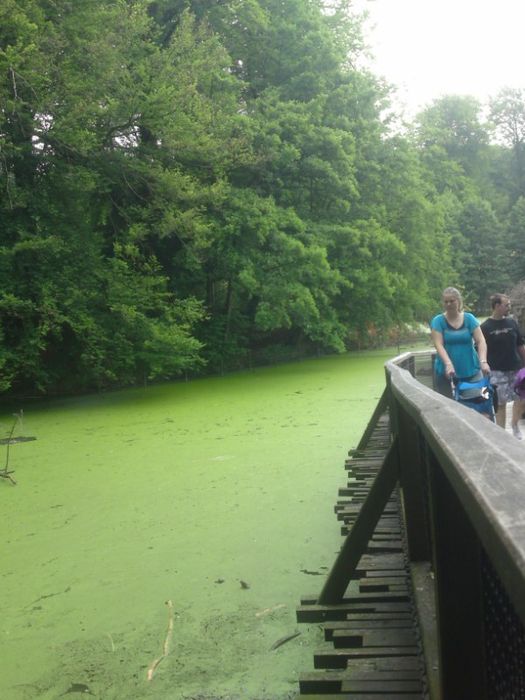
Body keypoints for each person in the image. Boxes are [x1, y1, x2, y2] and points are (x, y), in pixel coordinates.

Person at [430, 287, 490, 398]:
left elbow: (481, 341)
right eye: (446, 302)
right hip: (446, 373)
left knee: (479, 401)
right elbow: (438, 344)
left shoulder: (469, 319)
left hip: (471, 369)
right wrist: (448, 364)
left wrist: (483, 361)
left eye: (452, 301)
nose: (449, 304)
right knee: (449, 407)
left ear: (459, 301)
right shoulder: (438, 321)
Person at [481, 293, 525, 439]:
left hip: (515, 368)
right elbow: (480, 349)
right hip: (496, 370)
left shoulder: (512, 323)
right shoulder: (485, 327)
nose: (509, 307)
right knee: (500, 404)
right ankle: (502, 435)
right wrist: (483, 366)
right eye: (507, 305)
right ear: (497, 306)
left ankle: (514, 425)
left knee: (522, 399)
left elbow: (520, 345)